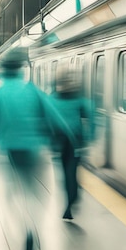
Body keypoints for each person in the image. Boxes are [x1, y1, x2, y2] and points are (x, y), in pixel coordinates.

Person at [0, 47, 57, 250]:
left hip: (11, 152)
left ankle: (25, 228)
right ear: (22, 69)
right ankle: (33, 227)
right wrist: (60, 141)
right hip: (36, 151)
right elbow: (54, 118)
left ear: (4, 71)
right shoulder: (33, 90)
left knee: (13, 196)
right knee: (36, 193)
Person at [49, 73, 92, 220]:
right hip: (75, 143)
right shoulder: (80, 100)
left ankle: (70, 203)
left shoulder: (52, 98)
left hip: (60, 143)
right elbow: (90, 116)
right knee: (71, 173)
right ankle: (72, 199)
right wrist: (88, 139)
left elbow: (46, 120)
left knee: (65, 174)